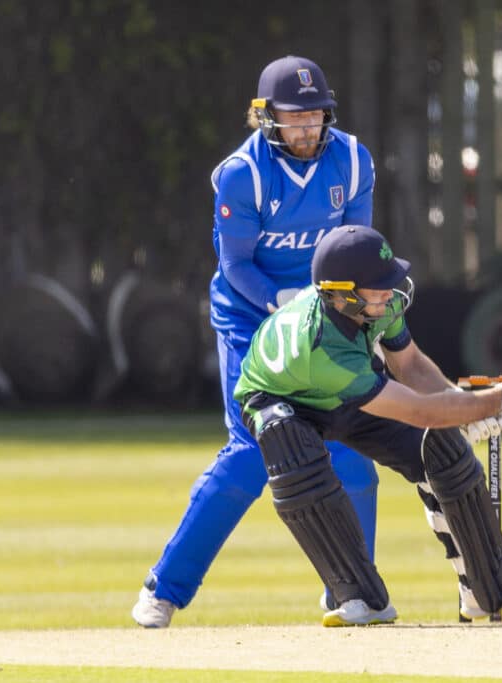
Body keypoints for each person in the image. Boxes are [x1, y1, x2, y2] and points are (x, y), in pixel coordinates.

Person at [132, 56, 381, 627]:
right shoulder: (241, 175)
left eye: (315, 117)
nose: (306, 130)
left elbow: (358, 246)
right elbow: (235, 264)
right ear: (265, 118)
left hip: (327, 319)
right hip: (250, 318)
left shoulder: (351, 158)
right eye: (293, 119)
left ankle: (353, 587)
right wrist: (285, 304)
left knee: (351, 452)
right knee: (252, 449)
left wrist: (355, 310)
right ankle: (164, 589)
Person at [233, 225, 502, 625]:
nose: (390, 293)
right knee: (293, 452)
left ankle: (492, 589)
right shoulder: (323, 349)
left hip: (346, 388)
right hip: (278, 397)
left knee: (441, 446)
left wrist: (465, 407)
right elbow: (420, 410)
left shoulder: (379, 306)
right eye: (378, 287)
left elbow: (410, 366)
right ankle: (359, 598)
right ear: (341, 294)